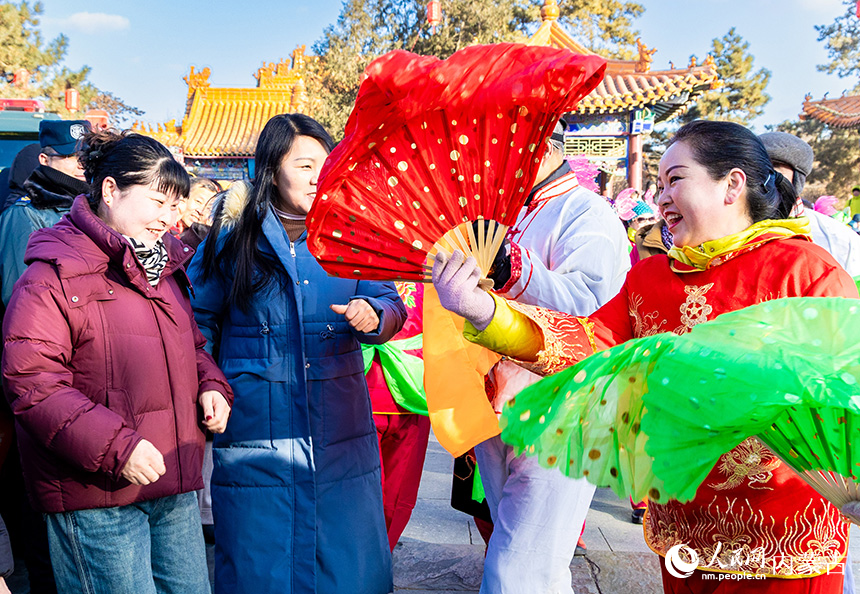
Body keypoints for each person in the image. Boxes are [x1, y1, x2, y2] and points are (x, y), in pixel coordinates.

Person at [432, 120, 856, 593]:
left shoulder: (806, 271)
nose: (661, 198)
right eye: (658, 185)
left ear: (732, 184)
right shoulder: (651, 279)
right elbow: (585, 345)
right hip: (681, 533)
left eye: (676, 179)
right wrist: (486, 311)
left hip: (782, 543)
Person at [1, 129, 233, 594]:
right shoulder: (52, 273)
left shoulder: (163, 269)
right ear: (110, 190)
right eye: (157, 202)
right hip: (96, 495)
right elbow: (32, 382)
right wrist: (117, 448)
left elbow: (192, 346)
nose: (168, 219)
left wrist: (212, 386)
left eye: (175, 206)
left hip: (172, 480)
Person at [187, 113, 407, 594]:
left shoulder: (353, 233)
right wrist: (208, 382)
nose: (316, 177)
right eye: (303, 166)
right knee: (259, 565)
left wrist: (374, 312)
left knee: (345, 565)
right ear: (271, 168)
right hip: (255, 432)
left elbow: (393, 304)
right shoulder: (232, 236)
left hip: (339, 429)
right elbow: (197, 324)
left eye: (323, 166)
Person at [469, 119, 629, 593]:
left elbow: (591, 306)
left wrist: (511, 267)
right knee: (514, 552)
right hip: (498, 405)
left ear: (540, 146)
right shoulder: (512, 214)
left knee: (522, 567)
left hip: (562, 410)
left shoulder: (587, 213)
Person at [366, 281, 430, 551]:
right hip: (364, 386)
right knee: (367, 495)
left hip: (415, 390)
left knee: (394, 496)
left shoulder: (446, 244)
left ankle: (373, 566)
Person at [0, 120, 91, 305]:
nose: (82, 165)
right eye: (71, 156)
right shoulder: (24, 215)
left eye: (86, 156)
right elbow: (20, 297)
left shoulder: (97, 206)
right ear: (44, 159)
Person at [759, 131, 860, 277]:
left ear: (797, 179)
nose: (760, 177)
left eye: (773, 169)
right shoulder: (724, 229)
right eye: (754, 167)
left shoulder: (837, 239)